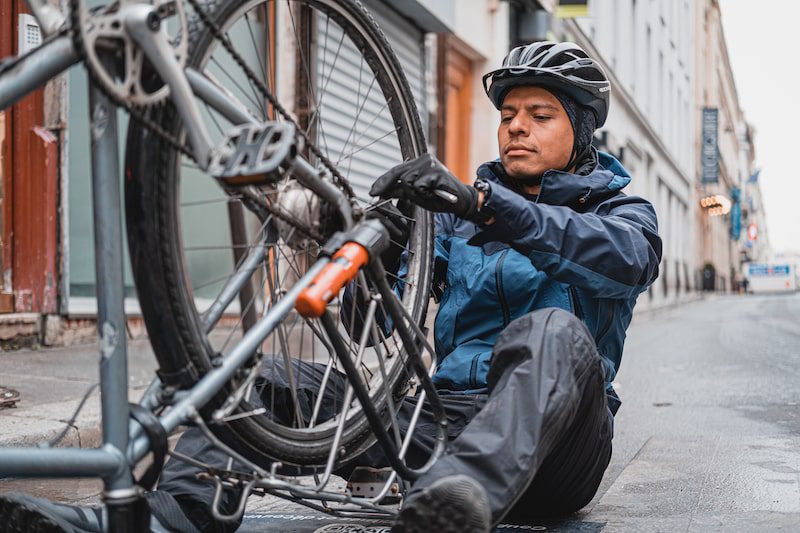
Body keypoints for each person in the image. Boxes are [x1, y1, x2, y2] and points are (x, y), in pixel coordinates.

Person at [0, 41, 661, 533]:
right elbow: (373, 331)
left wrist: (482, 203)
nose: (515, 125)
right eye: (509, 113)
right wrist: (385, 250)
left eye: (540, 114)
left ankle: (459, 502)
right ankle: (159, 520)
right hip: (442, 424)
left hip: (561, 449)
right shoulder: (457, 217)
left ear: (581, 132)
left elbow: (620, 261)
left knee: (550, 330)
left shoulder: (619, 212)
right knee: (261, 382)